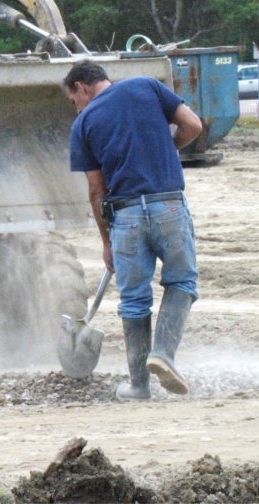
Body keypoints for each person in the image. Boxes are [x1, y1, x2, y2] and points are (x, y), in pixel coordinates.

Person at [65, 60, 203, 401]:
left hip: (125, 216)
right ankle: (164, 354)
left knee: (133, 300)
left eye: (73, 100)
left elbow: (96, 190)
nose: (77, 107)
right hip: (169, 206)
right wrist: (166, 150)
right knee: (181, 281)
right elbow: (193, 125)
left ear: (81, 87)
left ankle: (139, 386)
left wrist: (106, 241)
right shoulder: (146, 86)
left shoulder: (82, 124)